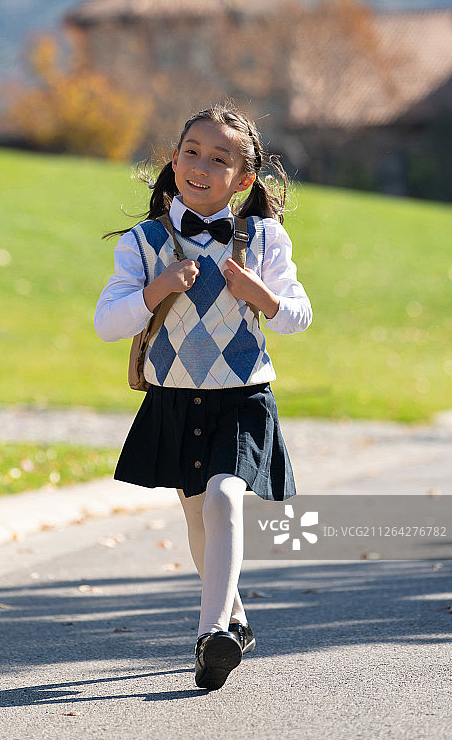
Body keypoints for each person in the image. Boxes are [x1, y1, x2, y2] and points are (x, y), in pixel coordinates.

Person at [94, 104, 312, 690]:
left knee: (224, 496)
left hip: (244, 397)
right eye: (192, 151)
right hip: (176, 399)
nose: (201, 165)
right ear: (174, 160)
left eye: (220, 158)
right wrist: (157, 288)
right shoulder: (144, 244)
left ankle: (210, 630)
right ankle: (233, 620)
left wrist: (261, 296)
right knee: (198, 518)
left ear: (243, 179)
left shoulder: (263, 238)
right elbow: (107, 322)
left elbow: (298, 314)